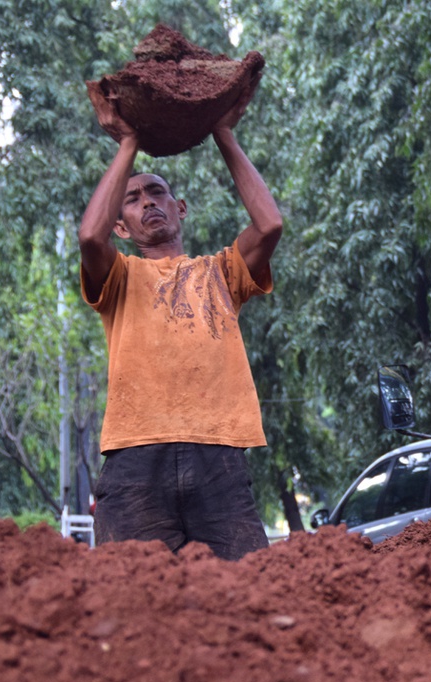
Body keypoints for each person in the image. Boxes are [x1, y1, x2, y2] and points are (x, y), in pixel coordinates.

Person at [78, 78, 282, 561]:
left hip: (218, 455)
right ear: (121, 226)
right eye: (133, 199)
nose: (148, 201)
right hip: (135, 458)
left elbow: (270, 224)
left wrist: (222, 132)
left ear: (180, 208)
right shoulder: (119, 276)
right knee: (130, 591)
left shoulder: (222, 272)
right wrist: (129, 142)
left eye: (157, 192)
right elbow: (89, 237)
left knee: (247, 588)